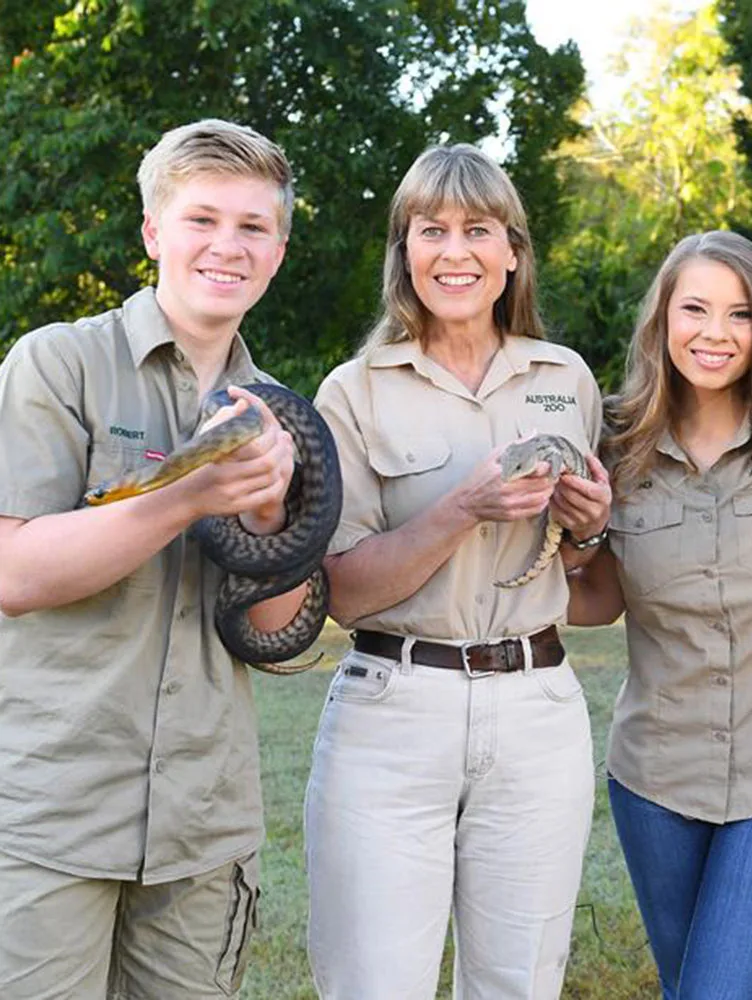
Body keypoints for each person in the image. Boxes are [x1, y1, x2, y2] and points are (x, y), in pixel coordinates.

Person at [0, 119, 306, 998]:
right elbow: (17, 574)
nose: (227, 245)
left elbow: (274, 632)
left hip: (203, 827)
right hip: (53, 817)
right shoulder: (58, 364)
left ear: (278, 251)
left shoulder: (282, 411)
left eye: (253, 227)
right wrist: (190, 494)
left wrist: (271, 511)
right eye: (202, 219)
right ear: (153, 234)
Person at [304, 143, 612, 1000]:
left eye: (478, 229)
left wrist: (587, 530)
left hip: (538, 711)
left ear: (512, 251)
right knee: (376, 983)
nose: (455, 251)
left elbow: (582, 569)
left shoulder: (566, 380)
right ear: (404, 251)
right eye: (430, 229)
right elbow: (342, 593)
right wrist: (460, 510)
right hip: (392, 713)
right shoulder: (354, 392)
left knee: (520, 983)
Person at [567, 230, 752, 999]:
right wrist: (574, 539)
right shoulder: (613, 444)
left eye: (739, 315)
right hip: (655, 780)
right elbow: (598, 603)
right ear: (662, 320)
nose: (713, 333)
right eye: (694, 309)